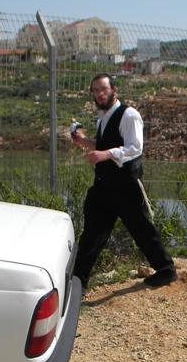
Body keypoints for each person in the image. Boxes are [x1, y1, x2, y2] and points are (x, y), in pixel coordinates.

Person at [70, 73, 176, 291]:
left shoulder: (129, 115)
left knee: (142, 229)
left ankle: (166, 270)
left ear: (113, 90)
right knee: (92, 233)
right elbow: (103, 145)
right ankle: (78, 282)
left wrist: (104, 154)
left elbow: (135, 148)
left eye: (103, 89)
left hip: (125, 185)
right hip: (104, 185)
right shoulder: (103, 117)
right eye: (96, 90)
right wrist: (83, 141)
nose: (100, 93)